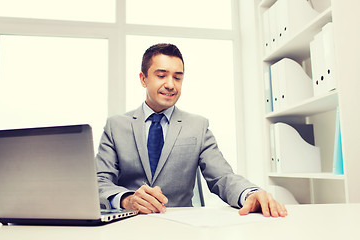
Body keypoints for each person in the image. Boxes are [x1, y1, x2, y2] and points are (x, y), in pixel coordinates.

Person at [96, 43, 287, 217]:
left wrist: (250, 193)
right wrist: (127, 199)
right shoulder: (116, 126)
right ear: (143, 79)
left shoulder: (198, 126)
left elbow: (222, 177)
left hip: (181, 225)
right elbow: (99, 181)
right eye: (161, 75)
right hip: (128, 225)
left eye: (177, 77)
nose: (170, 84)